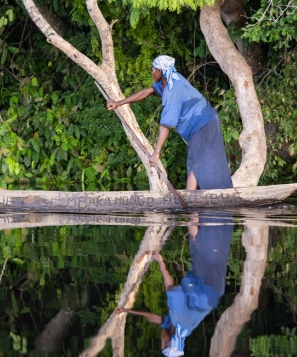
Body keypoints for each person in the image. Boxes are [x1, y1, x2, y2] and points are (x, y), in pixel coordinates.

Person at [107, 55, 233, 190]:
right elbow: (147, 92)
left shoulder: (172, 90)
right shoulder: (168, 79)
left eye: (153, 69)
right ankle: (202, 203)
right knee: (201, 161)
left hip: (203, 123)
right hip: (207, 120)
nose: (151, 72)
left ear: (160, 71)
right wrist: (119, 103)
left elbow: (166, 125)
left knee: (197, 162)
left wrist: (156, 153)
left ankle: (193, 202)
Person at [115, 213, 233, 356]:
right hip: (206, 286)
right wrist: (160, 262)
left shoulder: (176, 328)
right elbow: (171, 287)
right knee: (197, 242)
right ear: (169, 340)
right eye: (164, 343)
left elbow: (153, 317)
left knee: (205, 246)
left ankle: (210, 215)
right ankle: (200, 213)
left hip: (210, 289)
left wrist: (126, 311)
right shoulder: (179, 321)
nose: (161, 341)